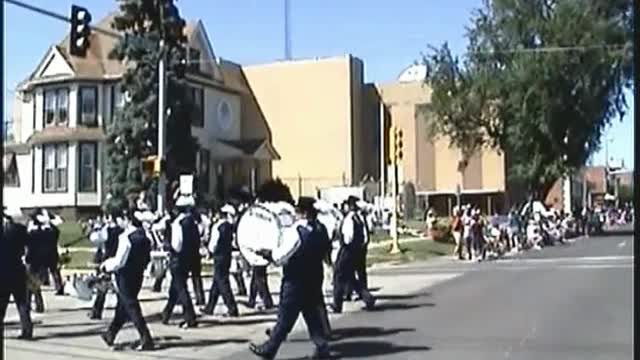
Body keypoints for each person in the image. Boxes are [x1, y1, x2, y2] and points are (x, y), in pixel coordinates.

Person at [249, 197, 331, 359]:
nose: (295, 215)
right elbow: (325, 252)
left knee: (285, 319)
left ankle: (269, 349)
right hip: (314, 279)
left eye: (297, 211)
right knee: (312, 316)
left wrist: (267, 253)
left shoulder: (296, 231)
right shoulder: (321, 229)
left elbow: (281, 257)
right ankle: (322, 348)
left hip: (295, 281)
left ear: (303, 213)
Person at [99, 209, 154, 351]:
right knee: (123, 306)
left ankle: (146, 338)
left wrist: (106, 265)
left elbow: (120, 261)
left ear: (127, 220)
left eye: (120, 219)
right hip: (138, 275)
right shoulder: (144, 236)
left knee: (131, 307)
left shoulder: (125, 237)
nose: (119, 222)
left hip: (124, 276)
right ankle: (110, 334)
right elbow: (147, 257)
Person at [331, 196, 375, 314]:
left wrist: (344, 243)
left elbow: (348, 237)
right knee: (350, 278)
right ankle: (367, 297)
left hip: (347, 251)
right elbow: (365, 237)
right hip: (357, 251)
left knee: (338, 276)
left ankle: (337, 304)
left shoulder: (349, 219)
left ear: (349, 206)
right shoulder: (360, 218)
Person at [161, 195, 199, 328]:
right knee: (175, 287)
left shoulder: (178, 223)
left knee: (181, 289)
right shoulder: (193, 223)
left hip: (178, 258)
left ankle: (190, 317)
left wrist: (169, 248)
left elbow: (177, 244)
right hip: (190, 259)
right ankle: (166, 314)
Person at [1, 207, 34, 340]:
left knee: (2, 303)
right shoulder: (20, 230)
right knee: (22, 302)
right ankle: (27, 330)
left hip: (2, 271)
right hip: (17, 269)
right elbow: (29, 246)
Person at [201, 204, 239, 317]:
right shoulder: (230, 227)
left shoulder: (218, 226)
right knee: (216, 283)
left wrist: (210, 252)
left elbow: (213, 243)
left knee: (222, 283)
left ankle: (232, 308)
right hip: (226, 256)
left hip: (219, 257)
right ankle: (210, 307)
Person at [88, 211, 125, 320]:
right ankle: (122, 312)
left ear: (109, 218)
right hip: (118, 260)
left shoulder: (106, 230)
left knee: (102, 288)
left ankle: (97, 312)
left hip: (107, 261)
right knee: (119, 289)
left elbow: (94, 238)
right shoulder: (122, 230)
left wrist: (95, 228)